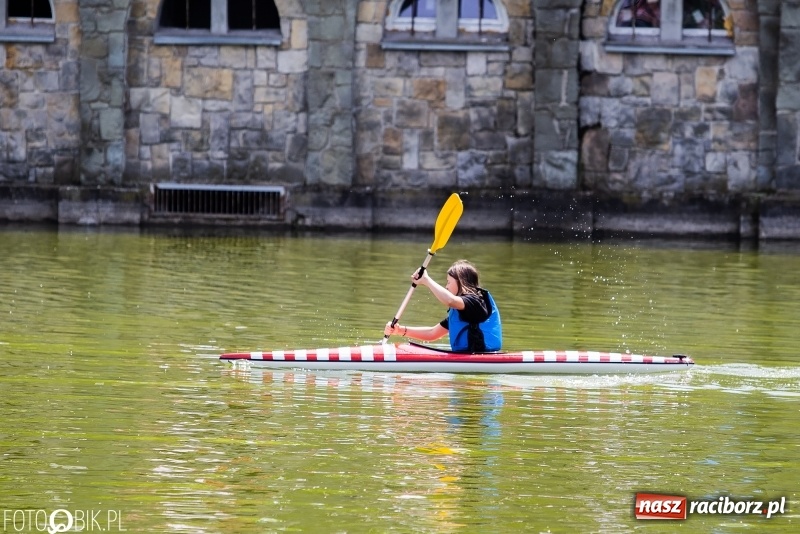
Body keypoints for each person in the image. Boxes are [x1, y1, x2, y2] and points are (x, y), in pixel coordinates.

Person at [384, 260, 502, 352]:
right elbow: (432, 333)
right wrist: (400, 330)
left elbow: (450, 300)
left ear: (462, 282)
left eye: (449, 282)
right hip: (468, 358)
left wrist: (427, 280)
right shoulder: (462, 311)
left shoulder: (476, 302)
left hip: (481, 358)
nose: (446, 286)